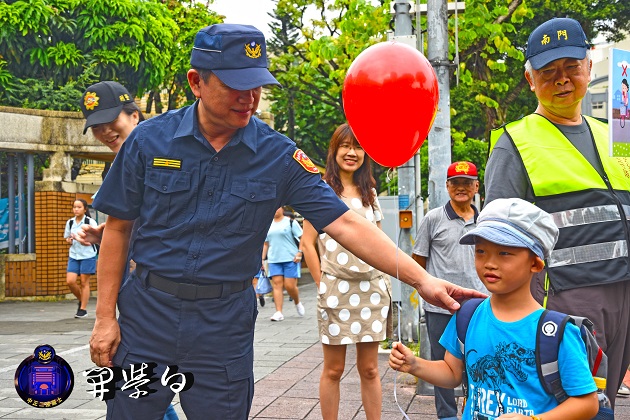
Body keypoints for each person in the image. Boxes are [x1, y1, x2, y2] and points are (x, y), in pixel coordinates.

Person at [88, 23, 485, 419]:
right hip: (148, 316)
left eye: (257, 86)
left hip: (223, 325)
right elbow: (119, 229)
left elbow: (344, 223)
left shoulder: (276, 155)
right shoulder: (148, 141)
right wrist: (105, 317)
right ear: (197, 82)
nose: (250, 98)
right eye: (235, 85)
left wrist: (422, 280)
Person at [484, 17, 630, 405]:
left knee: (605, 403)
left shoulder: (616, 134)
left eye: (571, 68)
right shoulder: (514, 143)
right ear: (530, 80)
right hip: (565, 301)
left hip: (623, 295)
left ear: (589, 64)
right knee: (572, 405)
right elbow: (497, 241)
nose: (563, 80)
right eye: (548, 73)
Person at [390, 198, 599, 420]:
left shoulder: (556, 332)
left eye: (504, 253)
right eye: (481, 251)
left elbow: (587, 403)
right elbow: (452, 373)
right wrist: (414, 364)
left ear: (535, 264)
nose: (489, 262)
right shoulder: (468, 315)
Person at [78, 81, 179, 420]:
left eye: (112, 121)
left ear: (134, 115)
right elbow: (137, 217)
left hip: (159, 297)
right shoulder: (120, 163)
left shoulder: (167, 157)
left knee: (140, 389)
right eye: (96, 126)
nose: (105, 131)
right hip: (131, 295)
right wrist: (103, 233)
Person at [301, 123, 391, 420]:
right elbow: (307, 243)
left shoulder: (371, 194)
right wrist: (322, 282)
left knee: (370, 368)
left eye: (359, 147)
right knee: (334, 369)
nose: (352, 153)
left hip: (372, 291)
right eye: (346, 146)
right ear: (334, 150)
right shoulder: (321, 191)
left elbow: (378, 244)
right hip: (336, 290)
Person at [411, 161, 488, 420]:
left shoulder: (486, 219)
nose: (461, 188)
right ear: (447, 186)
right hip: (440, 306)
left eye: (467, 183)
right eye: (456, 183)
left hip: (479, 305)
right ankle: (446, 416)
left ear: (476, 186)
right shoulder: (433, 218)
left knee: (479, 360)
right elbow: (417, 261)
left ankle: (475, 409)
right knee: (441, 363)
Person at [263, 206, 305, 321]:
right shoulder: (267, 224)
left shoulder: (291, 222)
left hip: (291, 258)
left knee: (290, 285)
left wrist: (300, 252)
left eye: (278, 207)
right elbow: (266, 243)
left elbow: (302, 238)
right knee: (277, 285)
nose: (275, 210)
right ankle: (278, 312)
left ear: (282, 208)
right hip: (274, 259)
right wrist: (261, 259)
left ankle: (297, 302)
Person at [64, 198, 98, 318]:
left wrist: (80, 239)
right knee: (70, 281)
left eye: (79, 207)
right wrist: (70, 239)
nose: (76, 209)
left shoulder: (90, 222)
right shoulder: (70, 222)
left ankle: (83, 309)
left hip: (88, 255)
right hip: (74, 255)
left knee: (84, 282)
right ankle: (82, 299)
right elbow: (67, 238)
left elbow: (93, 240)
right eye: (74, 207)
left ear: (85, 209)